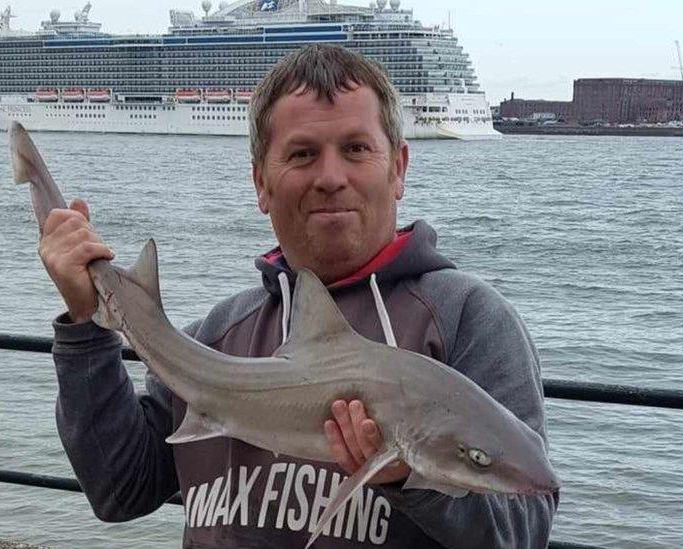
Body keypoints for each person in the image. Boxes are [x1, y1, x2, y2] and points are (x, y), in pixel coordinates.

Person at [40, 44, 557, 548]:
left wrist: (412, 479)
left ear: (398, 167)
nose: (331, 178)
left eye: (356, 148)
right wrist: (88, 325)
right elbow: (118, 489)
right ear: (261, 182)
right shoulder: (219, 335)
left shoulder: (468, 320)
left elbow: (523, 528)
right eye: (303, 154)